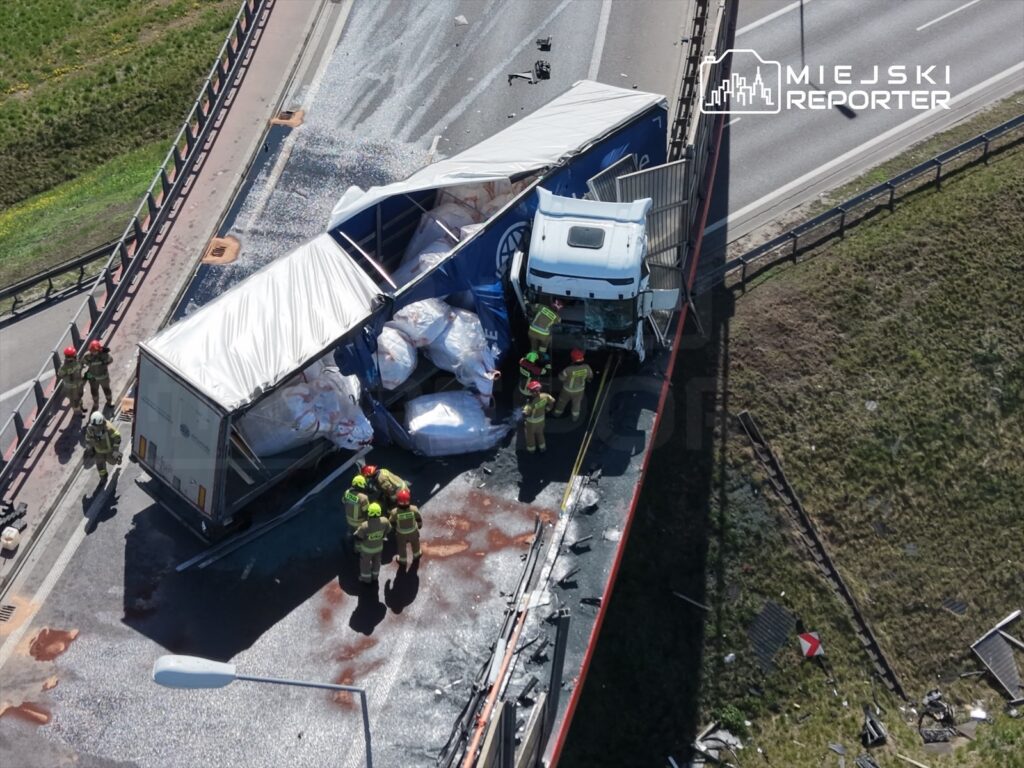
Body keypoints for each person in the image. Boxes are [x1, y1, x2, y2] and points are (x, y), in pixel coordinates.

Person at [553, 348, 594, 422]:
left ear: (572, 359)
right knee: (577, 404)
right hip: (580, 390)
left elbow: (561, 378)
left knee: (562, 402)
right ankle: (575, 418)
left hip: (567, 390)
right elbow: (590, 377)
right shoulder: (587, 367)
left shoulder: (568, 369)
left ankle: (557, 414)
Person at [355, 502, 391, 583]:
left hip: (367, 550)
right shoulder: (385, 521)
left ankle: (366, 579)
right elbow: (389, 530)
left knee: (365, 564)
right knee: (377, 562)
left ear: (369, 513)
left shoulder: (364, 526)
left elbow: (358, 538)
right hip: (379, 548)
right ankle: (375, 576)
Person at [389, 487, 423, 566]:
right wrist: (420, 525)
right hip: (413, 531)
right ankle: (417, 554)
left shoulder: (394, 512)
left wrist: (394, 528)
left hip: (401, 533)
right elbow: (418, 519)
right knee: (415, 543)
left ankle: (403, 560)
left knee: (402, 547)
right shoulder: (414, 509)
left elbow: (391, 522)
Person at [84, 411, 121, 484]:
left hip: (109, 450)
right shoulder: (90, 428)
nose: (96, 429)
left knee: (112, 462)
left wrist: (115, 450)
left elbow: (117, 437)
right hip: (98, 451)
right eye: (94, 426)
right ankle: (103, 477)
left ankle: (118, 457)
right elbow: (87, 438)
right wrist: (89, 446)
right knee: (100, 465)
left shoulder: (109, 428)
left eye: (97, 427)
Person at [521, 380, 555, 453]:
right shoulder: (545, 396)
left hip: (531, 423)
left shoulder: (530, 403)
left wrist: (523, 412)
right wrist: (547, 409)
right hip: (541, 421)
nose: (530, 393)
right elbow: (552, 401)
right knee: (540, 434)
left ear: (533, 392)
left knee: (530, 436)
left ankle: (531, 450)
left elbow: (525, 413)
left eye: (530, 391)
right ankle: (543, 448)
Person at [83, 339, 113, 412]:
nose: (93, 352)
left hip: (103, 377)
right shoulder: (87, 356)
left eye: (94, 351)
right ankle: (96, 404)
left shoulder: (104, 355)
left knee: (107, 390)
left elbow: (110, 360)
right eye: (91, 350)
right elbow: (83, 363)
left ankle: (109, 401)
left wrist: (105, 357)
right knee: (94, 391)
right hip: (93, 378)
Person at [57, 346, 87, 416]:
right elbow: (60, 374)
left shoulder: (76, 361)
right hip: (71, 388)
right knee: (74, 400)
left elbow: (80, 368)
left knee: (79, 397)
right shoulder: (64, 367)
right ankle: (77, 413)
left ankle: (81, 407)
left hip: (79, 384)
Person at [343, 474, 370, 549]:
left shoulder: (347, 492)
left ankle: (348, 538)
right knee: (359, 536)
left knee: (350, 530)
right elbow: (366, 512)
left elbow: (343, 501)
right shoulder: (364, 498)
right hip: (358, 522)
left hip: (348, 519)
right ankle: (357, 550)